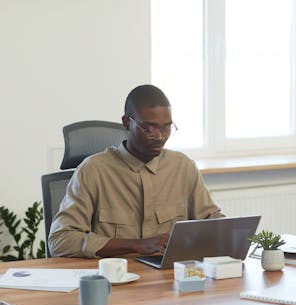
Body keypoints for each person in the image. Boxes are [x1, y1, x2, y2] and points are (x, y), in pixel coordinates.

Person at [48, 84, 224, 258]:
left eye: (166, 127)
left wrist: (233, 231)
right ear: (126, 122)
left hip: (169, 279)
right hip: (116, 279)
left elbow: (212, 219)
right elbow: (60, 240)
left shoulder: (183, 167)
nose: (160, 136)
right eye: (149, 128)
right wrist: (136, 245)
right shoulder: (93, 171)